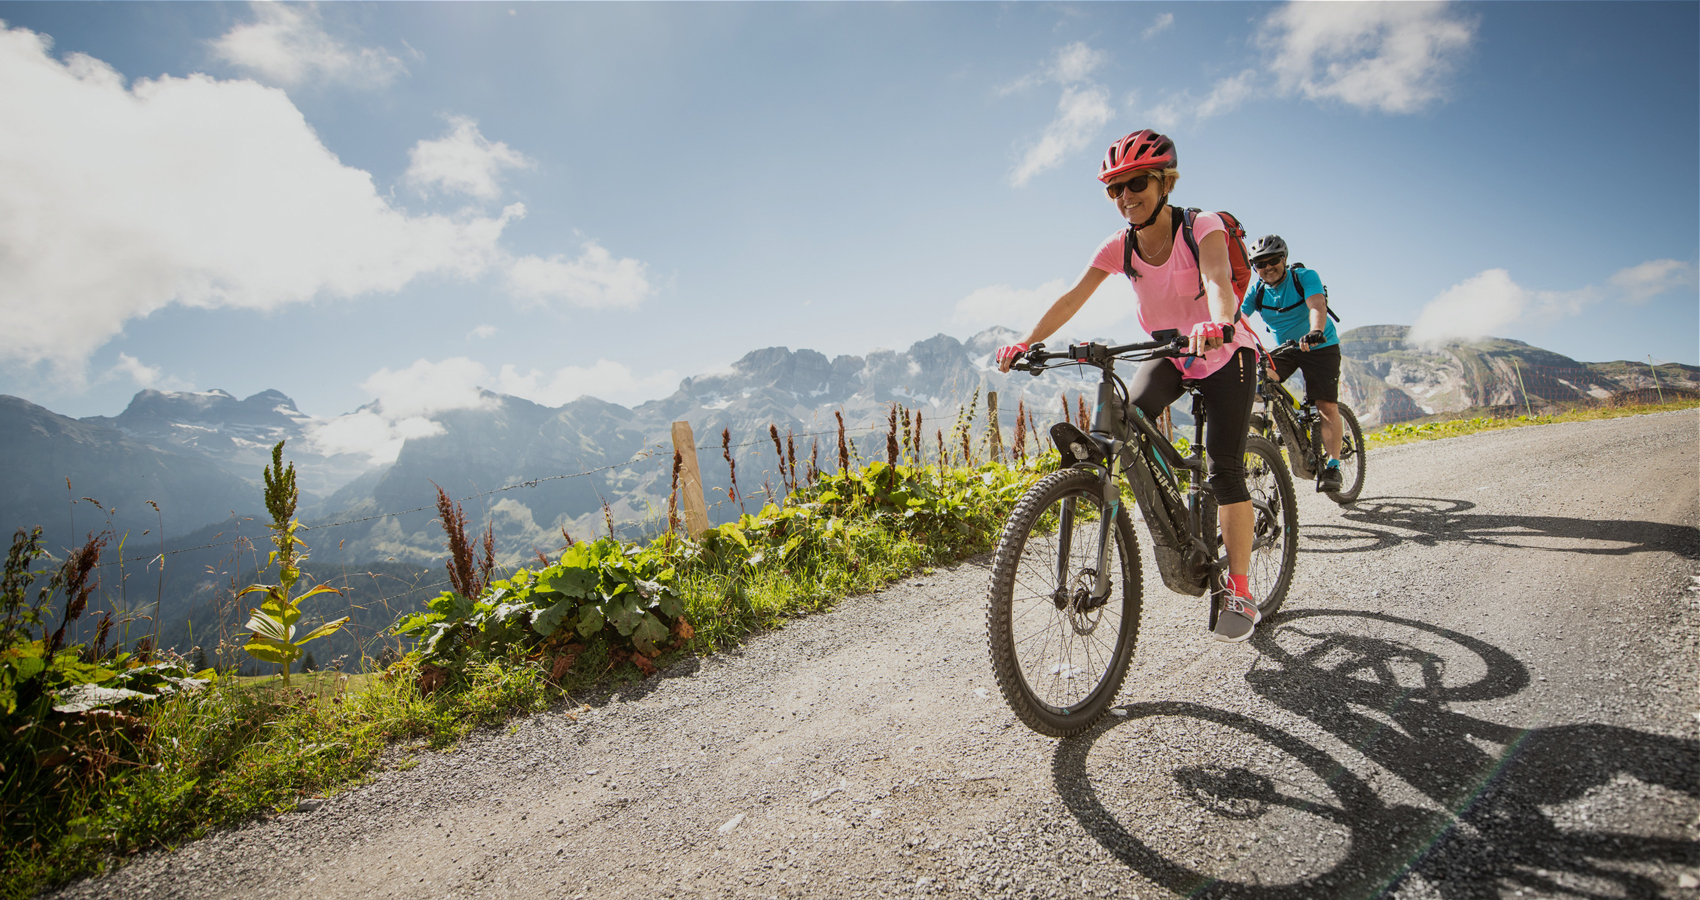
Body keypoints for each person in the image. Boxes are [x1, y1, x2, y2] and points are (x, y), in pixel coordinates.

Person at [995, 129, 1263, 643]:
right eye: (1114, 190)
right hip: (1171, 354)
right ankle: (1175, 518)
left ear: (1165, 182)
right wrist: (1026, 342)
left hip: (1226, 353)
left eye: (1135, 183)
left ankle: (1240, 589)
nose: (1125, 198)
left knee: (1226, 472)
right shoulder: (1119, 246)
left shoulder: (1198, 225)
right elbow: (1074, 297)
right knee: (1124, 421)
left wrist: (1219, 321)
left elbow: (1216, 282)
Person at [1241, 235, 1343, 492]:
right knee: (1259, 382)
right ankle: (1273, 436)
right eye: (1260, 264)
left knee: (1325, 404)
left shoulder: (1304, 277)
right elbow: (1239, 316)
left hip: (1319, 344)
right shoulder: (1258, 290)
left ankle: (1333, 466)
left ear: (1283, 259)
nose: (1267, 267)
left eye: (1273, 260)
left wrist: (1315, 331)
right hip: (1285, 349)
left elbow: (1316, 305)